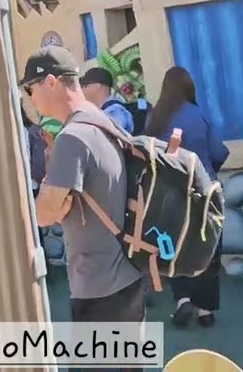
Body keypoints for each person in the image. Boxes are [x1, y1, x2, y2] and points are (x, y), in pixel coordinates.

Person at [27, 46, 147, 324]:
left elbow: (43, 215)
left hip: (97, 288)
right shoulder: (104, 121)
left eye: (30, 89)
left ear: (51, 81)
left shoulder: (72, 138)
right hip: (130, 275)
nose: (30, 98)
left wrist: (52, 199)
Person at [146, 66, 229, 328]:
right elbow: (219, 151)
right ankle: (205, 310)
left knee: (173, 247)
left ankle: (182, 299)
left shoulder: (155, 118)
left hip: (169, 193)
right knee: (208, 247)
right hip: (204, 192)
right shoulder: (200, 115)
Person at [80, 67, 135, 134]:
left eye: (85, 85)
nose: (82, 90)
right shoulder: (105, 111)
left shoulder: (115, 110)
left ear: (98, 85)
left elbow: (114, 136)